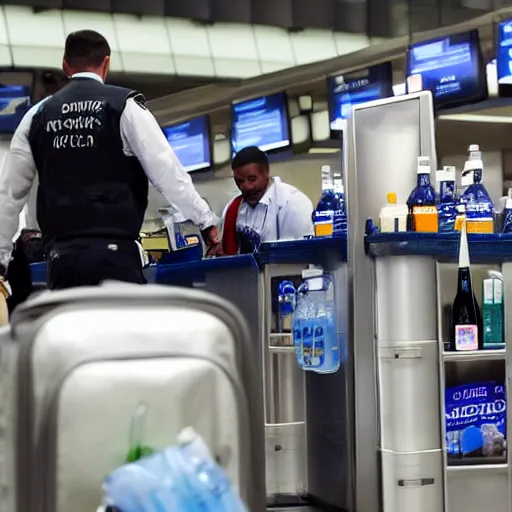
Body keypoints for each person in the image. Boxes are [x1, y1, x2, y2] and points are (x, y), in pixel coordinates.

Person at [0, 30, 221, 290]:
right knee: (118, 331)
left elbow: (9, 196)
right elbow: (168, 173)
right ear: (106, 63)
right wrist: (206, 222)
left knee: (73, 330)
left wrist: (1, 260)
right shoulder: (125, 106)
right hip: (117, 257)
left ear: (64, 65)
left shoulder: (37, 115)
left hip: (63, 260)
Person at [221, 146, 314, 254]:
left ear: (266, 172)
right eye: (240, 181)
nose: (246, 186)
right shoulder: (232, 209)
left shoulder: (293, 203)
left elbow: (298, 257)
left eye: (252, 179)